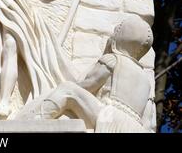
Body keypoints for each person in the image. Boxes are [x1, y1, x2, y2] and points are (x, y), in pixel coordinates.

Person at [17, 15, 153, 132]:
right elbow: (148, 123)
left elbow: (87, 86)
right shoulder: (147, 82)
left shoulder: (113, 60)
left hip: (110, 118)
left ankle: (33, 122)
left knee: (68, 90)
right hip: (133, 129)